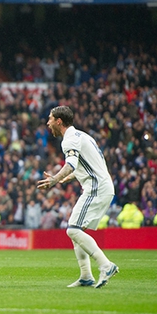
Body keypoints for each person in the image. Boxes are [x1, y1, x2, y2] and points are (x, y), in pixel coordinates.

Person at [37, 105, 118, 289]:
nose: (48, 123)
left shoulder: (69, 140)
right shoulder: (82, 136)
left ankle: (105, 265)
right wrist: (69, 177)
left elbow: (71, 163)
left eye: (50, 119)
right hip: (100, 185)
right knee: (75, 230)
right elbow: (90, 162)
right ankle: (86, 276)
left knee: (72, 230)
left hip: (96, 188)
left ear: (59, 121)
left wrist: (55, 180)